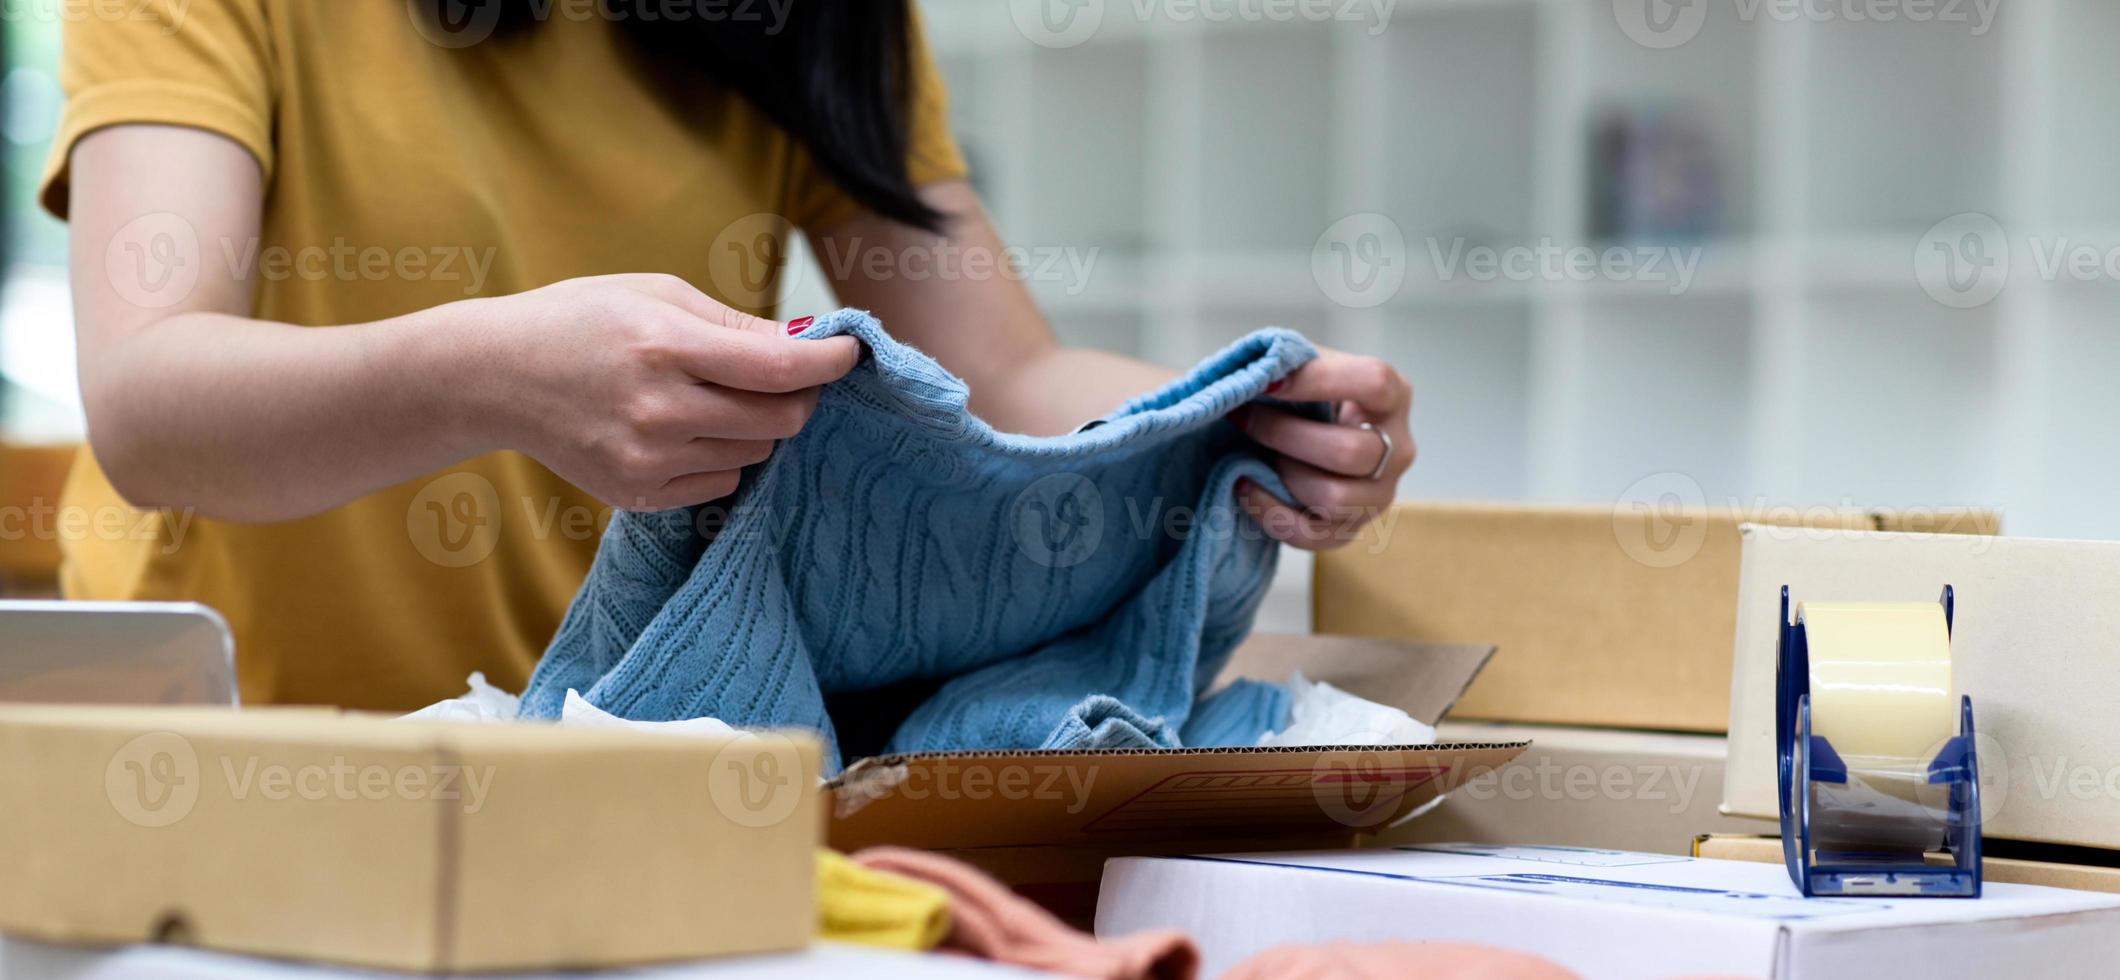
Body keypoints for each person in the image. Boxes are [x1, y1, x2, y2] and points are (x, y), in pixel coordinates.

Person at [46, 0, 1416, 711]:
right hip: (243, 764)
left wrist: (1256, 408)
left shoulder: (817, 21)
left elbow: (1008, 380)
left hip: (606, 769)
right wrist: (497, 374)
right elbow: (153, 403)